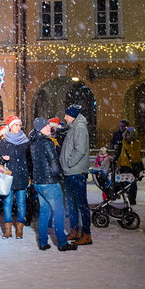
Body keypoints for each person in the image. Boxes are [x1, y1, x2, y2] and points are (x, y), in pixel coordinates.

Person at [30, 118, 76, 252]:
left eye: (49, 125)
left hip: (39, 182)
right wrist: (60, 175)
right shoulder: (47, 142)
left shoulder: (33, 143)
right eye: (46, 126)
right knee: (59, 213)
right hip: (50, 183)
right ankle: (62, 242)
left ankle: (43, 242)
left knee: (44, 212)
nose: (49, 128)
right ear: (40, 129)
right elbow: (54, 163)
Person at [59, 104, 91, 246]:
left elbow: (80, 150)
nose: (65, 117)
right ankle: (74, 230)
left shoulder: (80, 128)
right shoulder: (73, 127)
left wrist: (69, 163)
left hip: (76, 172)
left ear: (72, 116)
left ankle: (86, 234)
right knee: (71, 204)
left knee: (81, 204)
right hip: (70, 172)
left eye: (67, 115)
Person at [0, 115, 30, 239]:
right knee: (7, 203)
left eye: (19, 125)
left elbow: (29, 159)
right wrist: (3, 159)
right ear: (10, 126)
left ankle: (20, 229)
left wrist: (30, 175)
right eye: (16, 125)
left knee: (22, 204)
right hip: (8, 177)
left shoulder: (25, 142)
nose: (18, 127)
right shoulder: (4, 142)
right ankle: (8, 230)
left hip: (22, 175)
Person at [116, 126, 143, 206]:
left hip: (132, 166)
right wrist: (118, 164)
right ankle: (126, 198)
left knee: (132, 184)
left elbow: (135, 155)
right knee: (124, 184)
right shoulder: (123, 142)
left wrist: (125, 144)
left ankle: (132, 199)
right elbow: (122, 155)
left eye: (129, 134)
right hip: (124, 166)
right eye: (126, 134)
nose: (128, 136)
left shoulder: (136, 143)